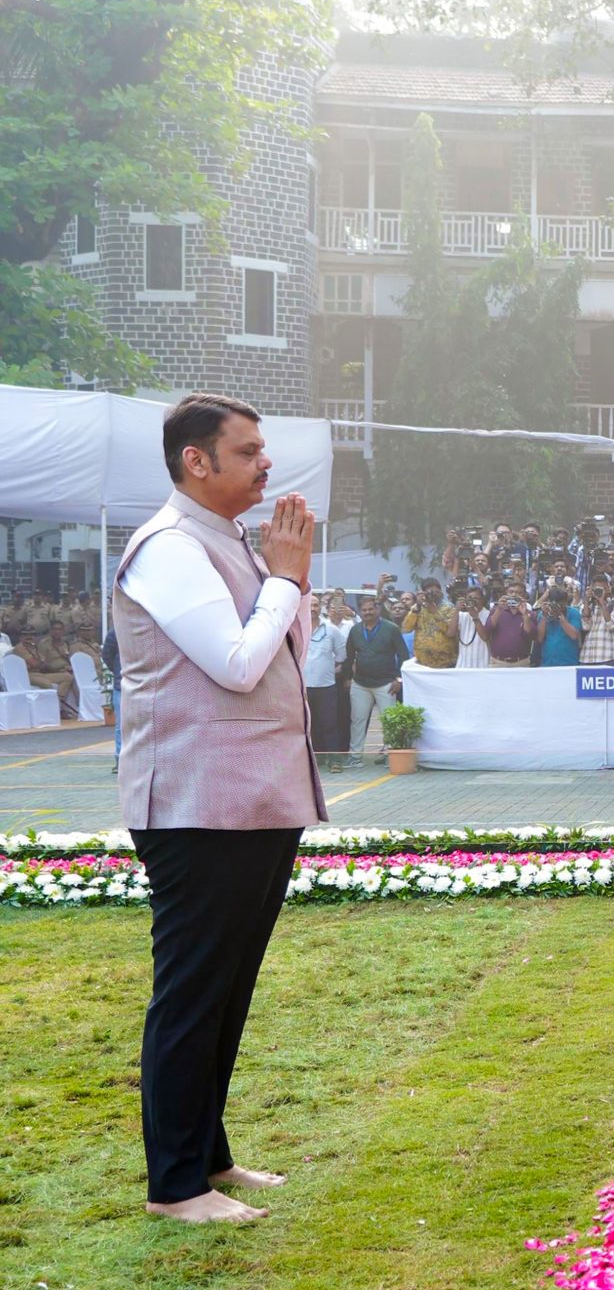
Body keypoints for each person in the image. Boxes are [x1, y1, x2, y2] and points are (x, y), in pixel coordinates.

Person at [115, 393, 326, 1223]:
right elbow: (237, 664)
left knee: (228, 987)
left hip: (255, 796)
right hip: (196, 803)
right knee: (194, 989)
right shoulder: (168, 546)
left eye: (263, 449)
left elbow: (289, 650)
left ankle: (208, 1155)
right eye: (247, 451)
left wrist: (287, 580)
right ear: (194, 461)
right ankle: (175, 1185)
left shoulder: (228, 538)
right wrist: (286, 579)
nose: (266, 464)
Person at [342, 596, 405, 761]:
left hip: (386, 683)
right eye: (364, 610)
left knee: (389, 721)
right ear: (360, 612)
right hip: (360, 683)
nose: (367, 612)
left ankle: (390, 756)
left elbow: (403, 655)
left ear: (378, 609)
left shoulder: (391, 629)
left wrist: (399, 679)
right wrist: (347, 678)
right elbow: (349, 656)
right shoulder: (355, 630)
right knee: (357, 720)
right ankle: (355, 756)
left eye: (371, 609)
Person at [301, 599, 349, 770]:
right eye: (309, 605)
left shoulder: (331, 629)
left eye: (315, 605)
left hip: (326, 686)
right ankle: (317, 759)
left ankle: (335, 760)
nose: (312, 609)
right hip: (303, 687)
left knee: (329, 723)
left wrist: (327, 667)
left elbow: (341, 655)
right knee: (309, 724)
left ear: (320, 607)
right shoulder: (297, 628)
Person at [21, 621, 82, 719]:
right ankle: (67, 708)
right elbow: (41, 664)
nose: (57, 632)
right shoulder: (42, 644)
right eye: (55, 629)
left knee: (70, 677)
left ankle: (60, 703)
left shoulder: (65, 644)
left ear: (63, 631)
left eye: (60, 629)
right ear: (50, 631)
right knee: (50, 683)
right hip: (43, 672)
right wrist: (58, 668)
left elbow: (42, 661)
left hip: (62, 670)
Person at [404, 578, 458, 669]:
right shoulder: (418, 608)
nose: (432, 595)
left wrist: (435, 613)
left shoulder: (450, 607)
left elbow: (450, 632)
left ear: (440, 591)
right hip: (422, 662)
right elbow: (406, 628)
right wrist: (417, 606)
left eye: (435, 592)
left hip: (446, 661)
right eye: (429, 592)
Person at [484, 588, 536, 668]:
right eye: (511, 592)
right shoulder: (496, 610)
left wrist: (525, 615)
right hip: (498, 662)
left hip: (521, 662)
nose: (514, 594)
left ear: (524, 596)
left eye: (518, 593)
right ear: (506, 594)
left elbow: (530, 634)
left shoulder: (529, 613)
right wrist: (499, 609)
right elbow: (488, 629)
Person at [535, 588, 584, 668]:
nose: (556, 606)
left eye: (560, 603)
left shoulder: (574, 613)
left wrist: (560, 617)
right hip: (547, 662)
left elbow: (574, 636)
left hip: (569, 662)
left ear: (565, 602)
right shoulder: (543, 614)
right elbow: (540, 638)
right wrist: (544, 617)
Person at [577, 583, 614, 666]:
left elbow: (611, 625)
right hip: (587, 656)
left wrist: (602, 603)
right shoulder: (588, 606)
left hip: (608, 655)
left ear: (607, 589)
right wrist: (586, 601)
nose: (598, 592)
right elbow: (585, 627)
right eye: (596, 589)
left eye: (601, 589)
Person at [452, 586, 491, 669]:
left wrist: (475, 616)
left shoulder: (489, 615)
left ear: (482, 600)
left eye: (476, 598)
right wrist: (456, 610)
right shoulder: (462, 614)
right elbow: (451, 633)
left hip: (482, 665)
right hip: (463, 665)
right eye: (469, 598)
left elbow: (486, 637)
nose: (472, 601)